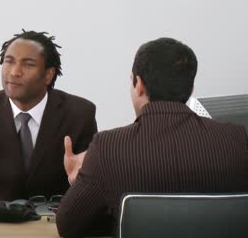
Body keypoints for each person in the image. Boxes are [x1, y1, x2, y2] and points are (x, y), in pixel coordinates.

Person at [56, 37, 248, 237]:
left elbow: (68, 226)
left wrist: (77, 181)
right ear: (191, 89)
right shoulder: (236, 139)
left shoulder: (108, 147)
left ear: (138, 84)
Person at [0, 30, 98, 200]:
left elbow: (95, 184)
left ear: (48, 75)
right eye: (9, 62)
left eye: (28, 64)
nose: (14, 72)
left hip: (56, 220)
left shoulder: (80, 114)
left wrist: (78, 182)